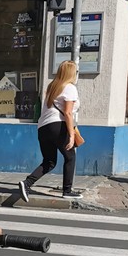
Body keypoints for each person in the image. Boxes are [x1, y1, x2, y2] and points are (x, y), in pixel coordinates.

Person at [18, 60, 81, 202]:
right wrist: (71, 136)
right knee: (70, 157)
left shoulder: (53, 86)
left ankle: (26, 183)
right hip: (57, 126)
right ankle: (67, 191)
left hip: (43, 127)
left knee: (49, 161)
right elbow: (68, 113)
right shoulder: (70, 88)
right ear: (72, 73)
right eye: (76, 72)